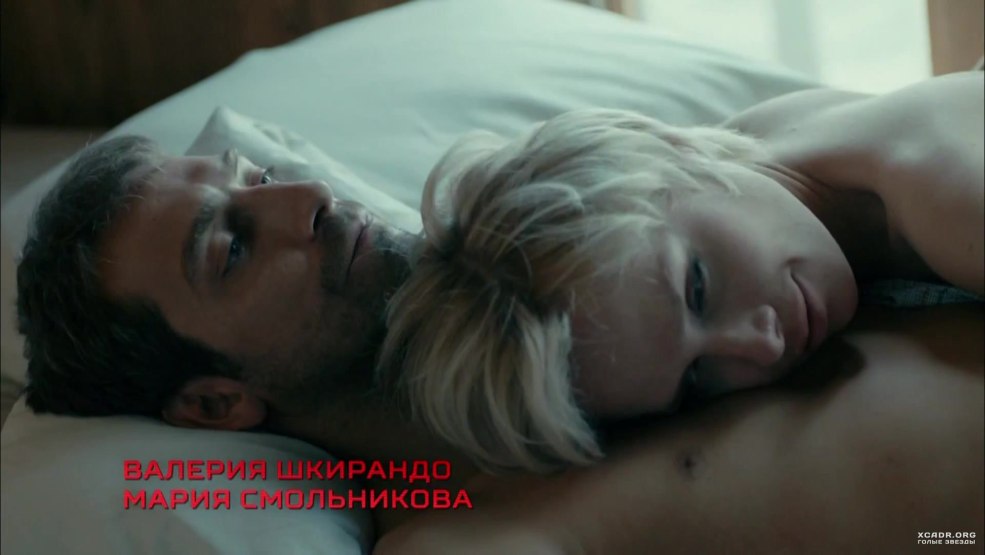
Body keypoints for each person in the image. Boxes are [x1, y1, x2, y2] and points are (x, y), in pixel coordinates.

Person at [14, 72, 982, 550]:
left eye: (257, 177)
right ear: (215, 405)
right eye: (230, 247)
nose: (303, 199)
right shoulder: (449, 517)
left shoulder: (616, 189)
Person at [377, 71, 984, 472]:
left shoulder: (950, 198)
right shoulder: (750, 162)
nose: (762, 345)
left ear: (674, 152)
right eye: (697, 379)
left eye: (697, 288)